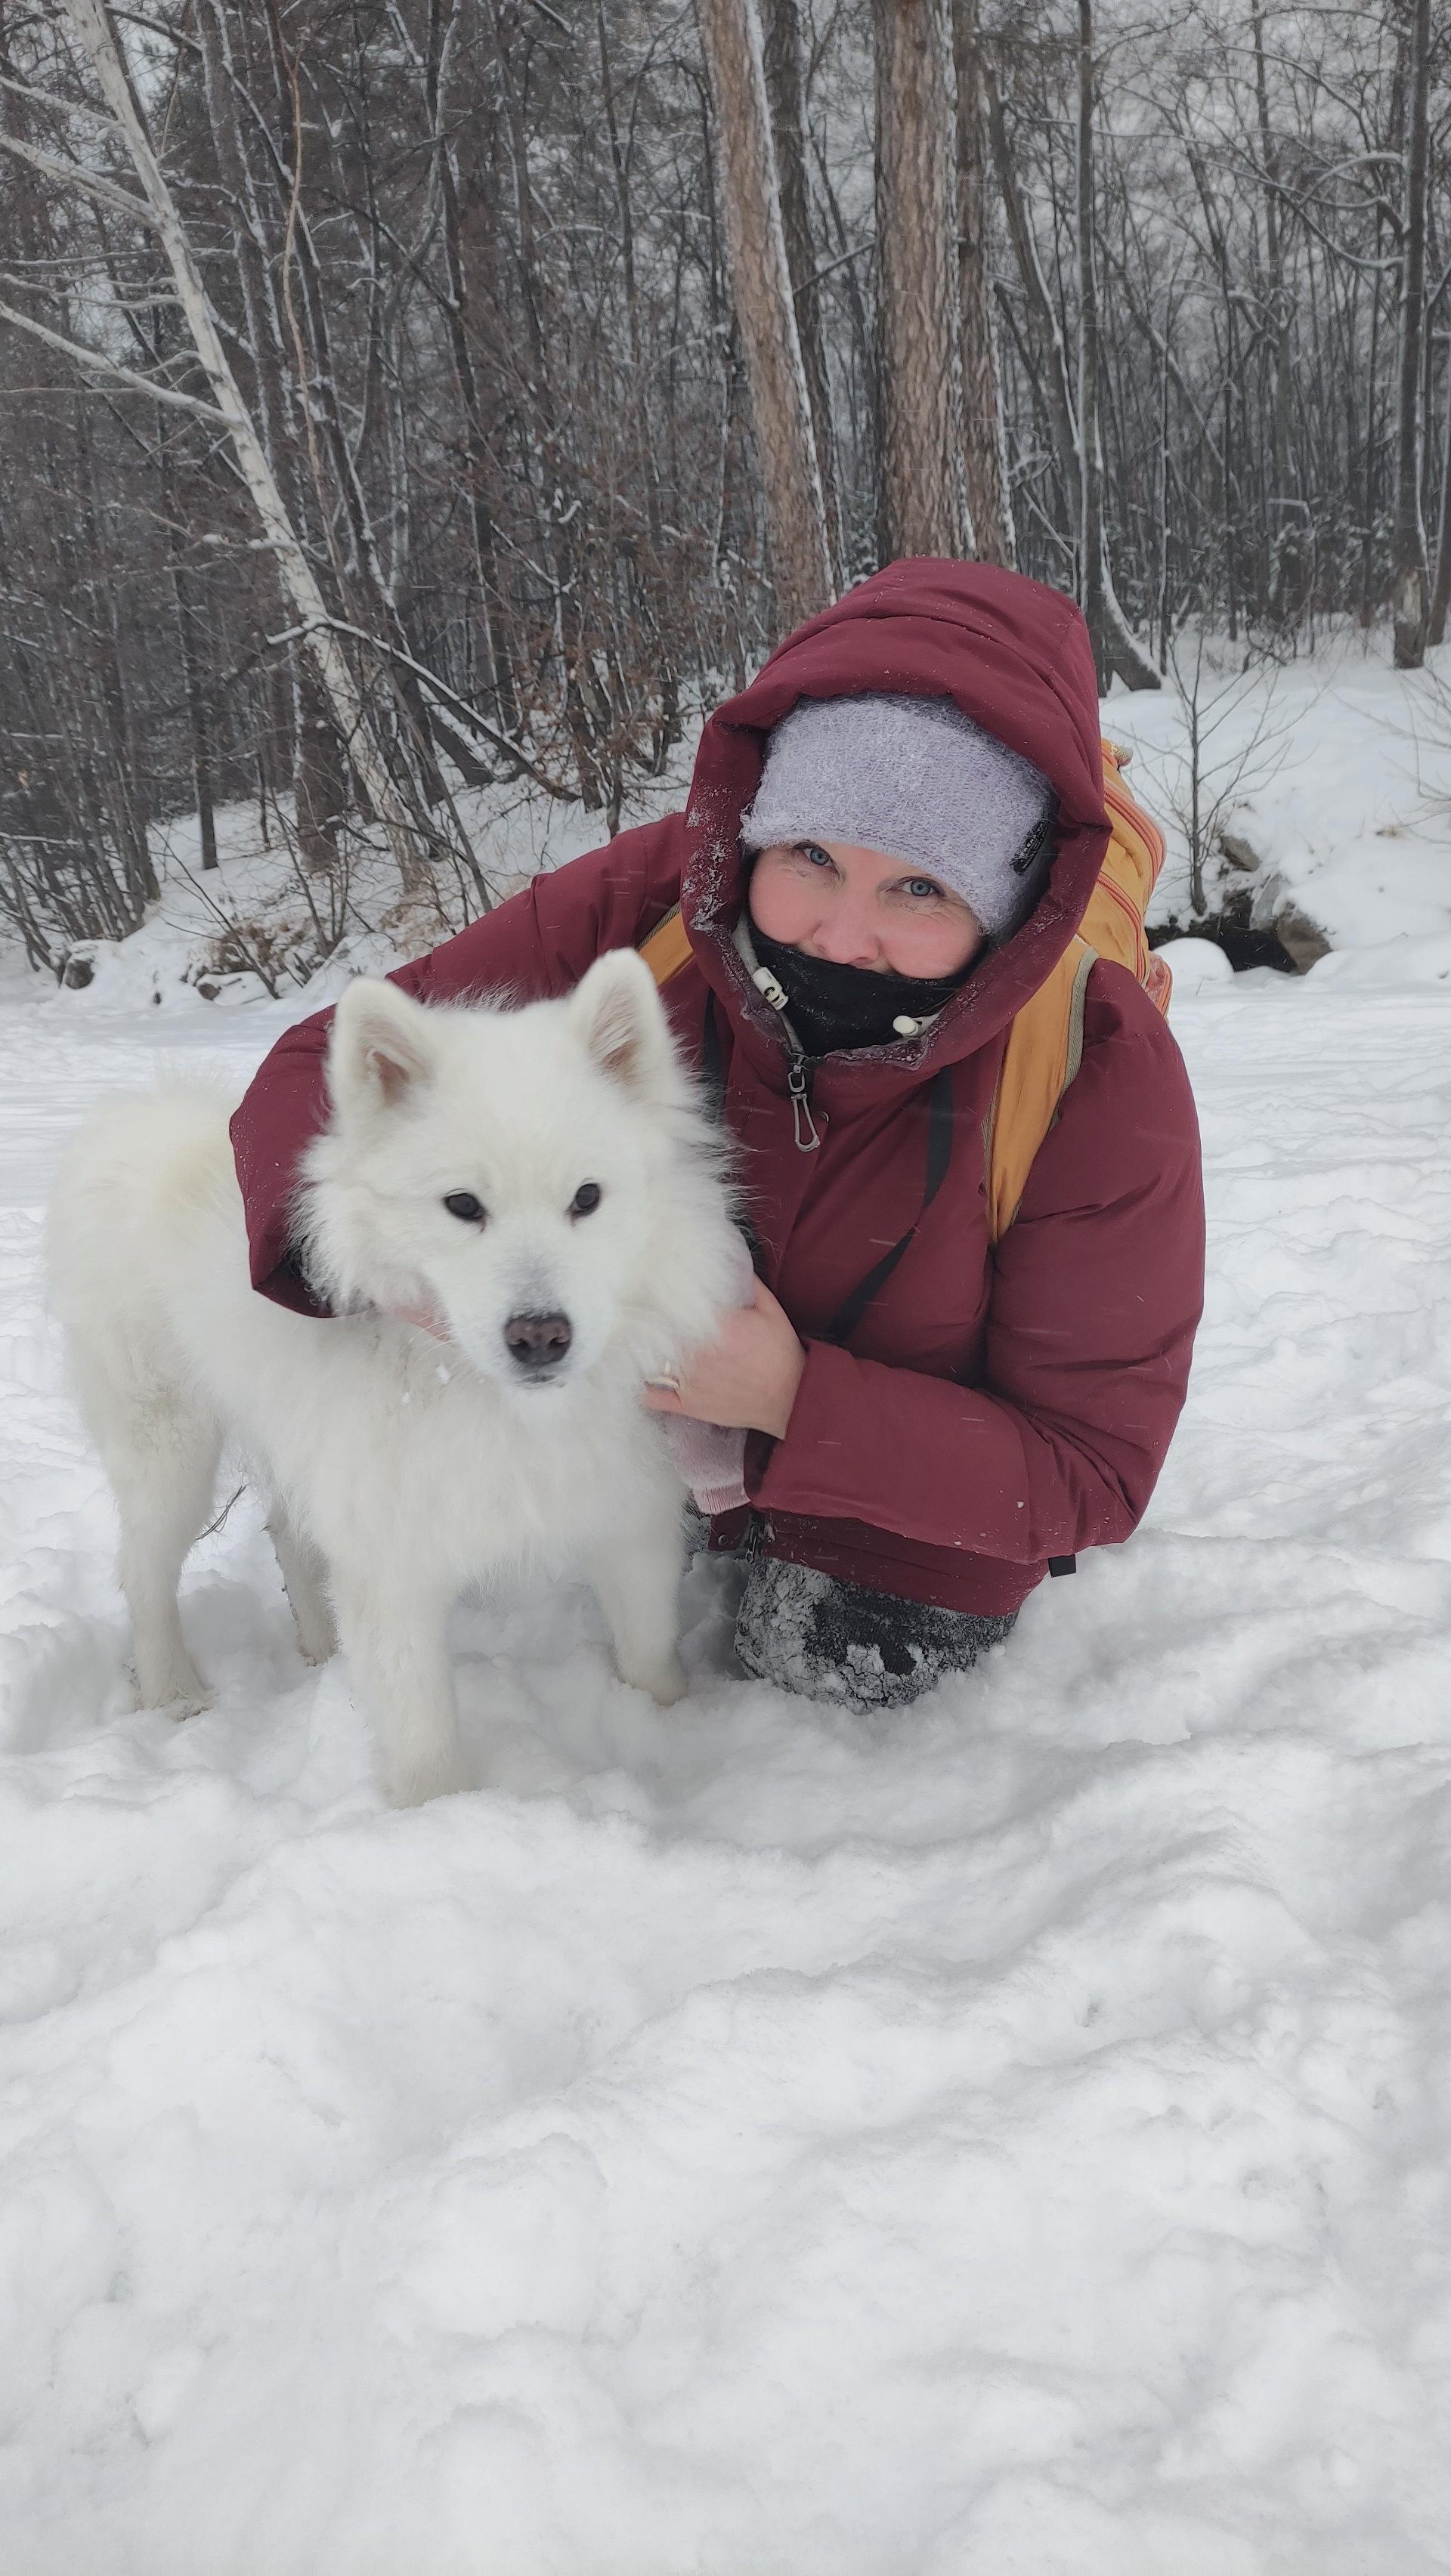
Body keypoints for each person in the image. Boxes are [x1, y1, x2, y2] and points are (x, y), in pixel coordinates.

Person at [230, 558, 1205, 1709]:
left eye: (920, 890)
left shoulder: (1094, 1059)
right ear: (762, 831)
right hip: (640, 1419)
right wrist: (409, 1270)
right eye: (814, 858)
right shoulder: (657, 910)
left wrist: (797, 1400)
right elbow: (321, 1077)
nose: (844, 932)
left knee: (807, 1686)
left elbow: (1091, 1467)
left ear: (1005, 900)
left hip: (907, 1520)